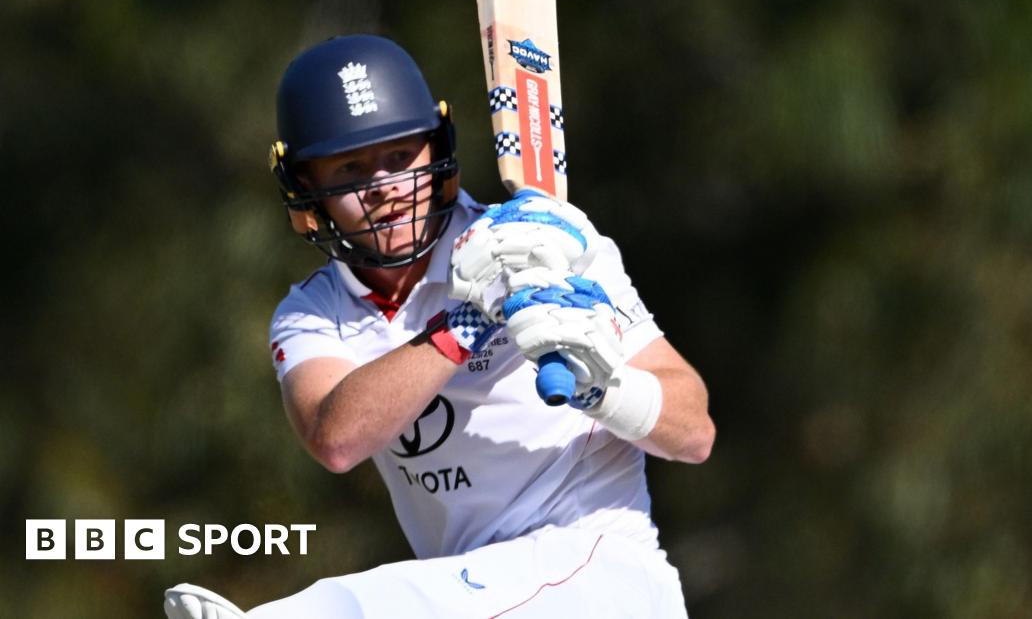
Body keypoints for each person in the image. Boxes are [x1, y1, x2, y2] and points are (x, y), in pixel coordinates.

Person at [164, 34, 714, 618]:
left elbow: (696, 431)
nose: (384, 190)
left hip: (600, 574)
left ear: (435, 153)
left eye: (400, 158)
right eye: (351, 169)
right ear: (307, 188)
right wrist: (472, 320)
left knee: (379, 603)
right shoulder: (312, 315)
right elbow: (337, 438)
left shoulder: (550, 250)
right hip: (469, 591)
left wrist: (601, 384)